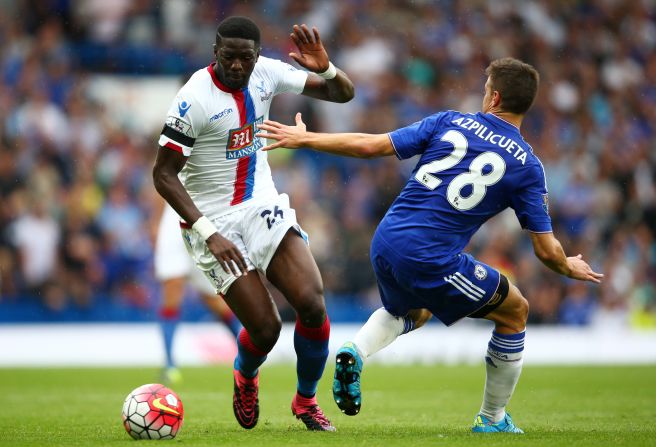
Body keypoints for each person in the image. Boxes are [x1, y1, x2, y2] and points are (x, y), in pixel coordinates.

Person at [258, 57, 603, 434]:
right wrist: (568, 265)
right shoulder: (527, 166)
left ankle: (355, 351)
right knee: (515, 310)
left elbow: (372, 146)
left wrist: (306, 138)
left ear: (495, 97)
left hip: (387, 239)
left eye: (485, 89)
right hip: (429, 256)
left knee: (415, 310)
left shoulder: (450, 121)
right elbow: (545, 250)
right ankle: (492, 420)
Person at [152, 16, 354, 432]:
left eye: (246, 57)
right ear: (215, 53)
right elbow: (163, 175)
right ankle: (245, 376)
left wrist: (326, 69)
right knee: (265, 329)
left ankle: (305, 401)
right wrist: (208, 232)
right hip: (211, 221)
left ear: (258, 55)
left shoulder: (268, 73)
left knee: (312, 303)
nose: (239, 66)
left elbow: (342, 94)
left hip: (261, 204)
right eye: (229, 57)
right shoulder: (193, 98)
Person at [153, 198, 241, 385]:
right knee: (172, 289)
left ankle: (247, 349)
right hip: (174, 224)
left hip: (204, 225)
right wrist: (155, 220)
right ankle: (169, 364)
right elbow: (161, 178)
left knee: (214, 300)